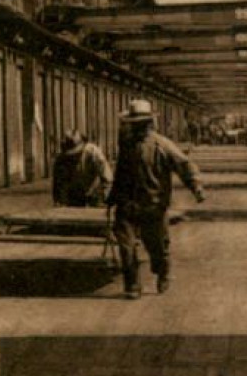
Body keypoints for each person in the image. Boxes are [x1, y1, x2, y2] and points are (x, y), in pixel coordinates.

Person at [105, 99, 206, 300]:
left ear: (149, 123)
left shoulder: (162, 145)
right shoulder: (126, 144)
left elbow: (184, 165)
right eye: (133, 123)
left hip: (153, 204)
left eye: (140, 123)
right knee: (126, 247)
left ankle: (162, 272)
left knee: (157, 247)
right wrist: (112, 197)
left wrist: (196, 186)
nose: (136, 127)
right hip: (127, 205)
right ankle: (132, 285)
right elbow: (121, 173)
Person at [51, 131, 110, 207]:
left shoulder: (93, 153)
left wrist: (103, 197)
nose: (73, 157)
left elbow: (107, 179)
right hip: (73, 196)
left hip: (94, 193)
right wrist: (60, 202)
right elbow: (58, 185)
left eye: (76, 153)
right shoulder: (60, 159)